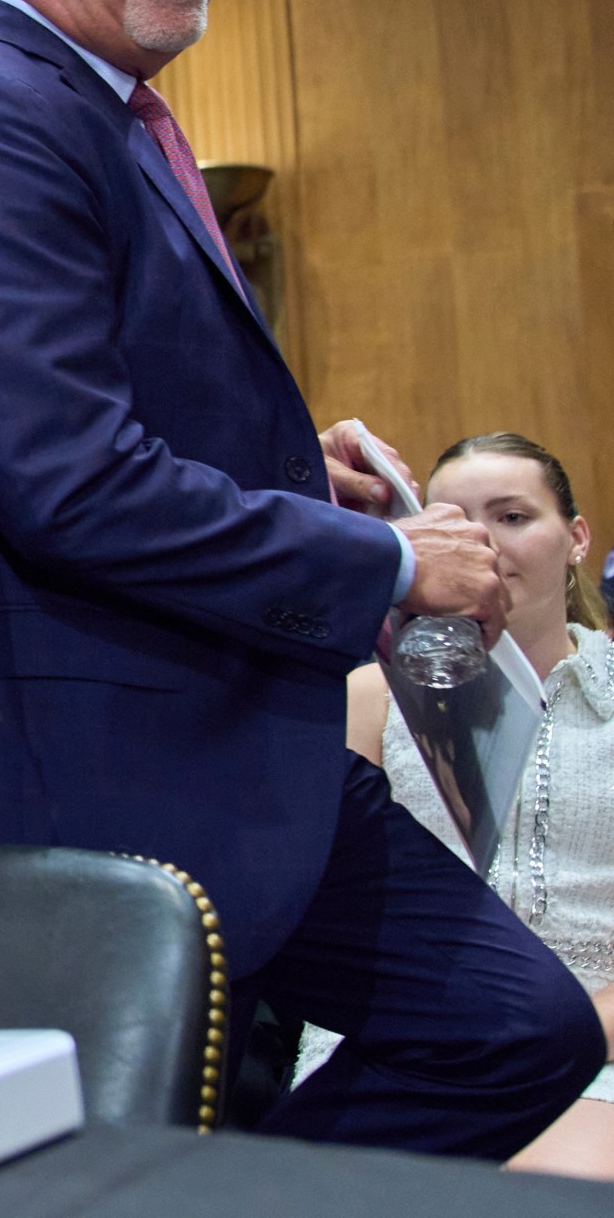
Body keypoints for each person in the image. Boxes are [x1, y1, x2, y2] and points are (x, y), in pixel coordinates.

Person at [0, 0, 599, 1154]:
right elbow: (71, 485)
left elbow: (99, 424)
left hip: (231, 753)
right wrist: (386, 557)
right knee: (64, 1164)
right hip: (85, 777)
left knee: (516, 1028)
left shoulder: (109, 112)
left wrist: (303, 483)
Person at [315, 434, 614, 1177]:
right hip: (410, 1036)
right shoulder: (366, 696)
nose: (482, 541)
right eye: (453, 519)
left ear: (576, 539)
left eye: (512, 516)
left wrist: (584, 1027)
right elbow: (317, 892)